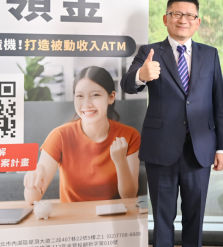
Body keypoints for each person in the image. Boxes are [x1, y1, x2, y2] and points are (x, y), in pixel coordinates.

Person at [121, 0, 223, 247]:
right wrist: (141, 75)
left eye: (189, 15)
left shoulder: (210, 54)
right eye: (176, 14)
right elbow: (128, 84)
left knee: (195, 218)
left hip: (200, 149)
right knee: (163, 217)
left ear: (197, 22)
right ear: (166, 19)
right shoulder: (149, 52)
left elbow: (219, 103)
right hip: (161, 149)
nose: (183, 20)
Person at [24, 66, 140, 204]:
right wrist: (33, 178)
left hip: (114, 216)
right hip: (73, 216)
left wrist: (121, 162)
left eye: (95, 95)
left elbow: (129, 196)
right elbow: (32, 199)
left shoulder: (130, 136)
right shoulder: (59, 136)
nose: (87, 104)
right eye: (79, 96)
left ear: (111, 97)